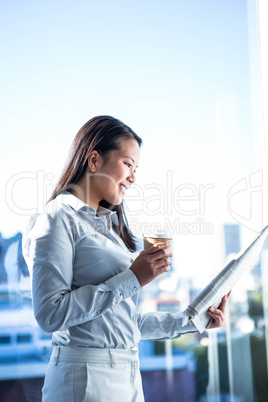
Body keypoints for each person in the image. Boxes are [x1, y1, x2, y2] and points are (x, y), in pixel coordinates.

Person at [23, 115, 230, 402]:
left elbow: (122, 322)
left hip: (127, 374)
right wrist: (133, 278)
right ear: (93, 160)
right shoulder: (57, 218)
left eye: (136, 168)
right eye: (128, 164)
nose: (133, 177)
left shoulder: (106, 227)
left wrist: (192, 320)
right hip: (84, 379)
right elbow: (50, 314)